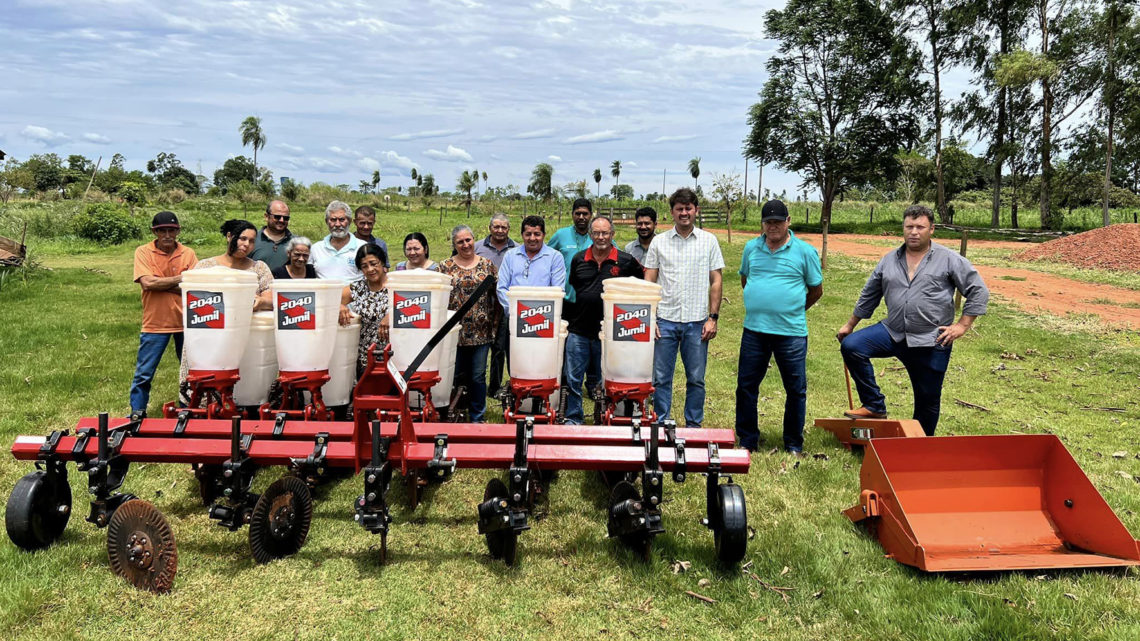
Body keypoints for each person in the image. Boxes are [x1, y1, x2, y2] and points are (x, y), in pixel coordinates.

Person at [837, 205, 989, 436]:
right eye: (909, 226)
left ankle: (920, 446)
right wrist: (850, 325)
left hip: (931, 339)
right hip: (894, 333)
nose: (914, 232)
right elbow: (869, 295)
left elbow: (978, 290)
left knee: (927, 398)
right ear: (903, 228)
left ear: (932, 229)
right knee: (853, 346)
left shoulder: (949, 259)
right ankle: (874, 405)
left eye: (920, 227)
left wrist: (962, 325)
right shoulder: (889, 260)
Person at [734, 201, 823, 456]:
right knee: (746, 386)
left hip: (791, 333)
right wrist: (762, 304)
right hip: (754, 330)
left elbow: (816, 290)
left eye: (778, 221)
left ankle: (793, 443)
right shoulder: (752, 248)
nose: (773, 226)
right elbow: (745, 279)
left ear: (788, 221)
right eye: (768, 222)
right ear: (762, 224)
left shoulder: (805, 252)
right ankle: (748, 439)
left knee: (795, 389)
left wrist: (791, 309)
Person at [644, 187, 724, 428]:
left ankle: (693, 426)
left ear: (696, 210)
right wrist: (650, 318)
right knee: (660, 378)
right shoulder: (659, 242)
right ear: (672, 213)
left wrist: (713, 318)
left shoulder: (709, 241)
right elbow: (649, 280)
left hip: (697, 321)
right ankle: (660, 423)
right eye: (679, 209)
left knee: (696, 379)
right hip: (665, 320)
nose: (684, 213)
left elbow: (716, 280)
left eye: (688, 208)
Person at [178, 219, 274, 405]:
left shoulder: (258, 268)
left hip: (246, 339)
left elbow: (271, 298)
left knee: (241, 388)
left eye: (252, 241)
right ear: (229, 237)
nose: (246, 244)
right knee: (205, 385)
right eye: (242, 238)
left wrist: (259, 301)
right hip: (208, 336)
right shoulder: (206, 268)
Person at [564, 216, 644, 425]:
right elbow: (575, 285)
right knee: (572, 379)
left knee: (607, 380)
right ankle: (574, 418)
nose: (601, 237)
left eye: (605, 233)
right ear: (590, 235)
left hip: (610, 332)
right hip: (579, 329)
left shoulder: (626, 261)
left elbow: (642, 286)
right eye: (597, 233)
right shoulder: (578, 259)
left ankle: (607, 418)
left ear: (612, 235)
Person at [129, 211, 198, 417]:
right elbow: (147, 283)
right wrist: (181, 278)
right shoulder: (143, 252)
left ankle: (189, 409)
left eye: (171, 230)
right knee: (144, 373)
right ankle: (137, 412)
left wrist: (160, 283)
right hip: (155, 323)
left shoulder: (188, 253)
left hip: (185, 322)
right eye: (162, 231)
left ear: (178, 231)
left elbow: (194, 288)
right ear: (154, 232)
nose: (167, 235)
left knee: (191, 373)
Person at [437, 225, 498, 422]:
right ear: (454, 245)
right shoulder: (444, 266)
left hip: (481, 332)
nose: (465, 245)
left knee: (478, 376)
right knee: (452, 375)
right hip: (453, 332)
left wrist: (495, 323)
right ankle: (452, 412)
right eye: (460, 242)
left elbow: (496, 297)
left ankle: (477, 415)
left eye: (468, 240)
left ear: (474, 240)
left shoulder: (487, 265)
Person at [476, 213, 518, 398]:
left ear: (509, 229)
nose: (500, 231)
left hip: (506, 305)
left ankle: (499, 385)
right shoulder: (477, 247)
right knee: (483, 345)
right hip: (483, 304)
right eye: (496, 227)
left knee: (503, 346)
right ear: (489, 228)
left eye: (504, 227)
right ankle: (478, 382)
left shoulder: (516, 249)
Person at [339, 244, 390, 375]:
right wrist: (340, 306)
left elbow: (412, 305)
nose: (370, 269)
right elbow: (330, 301)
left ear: (382, 262)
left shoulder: (396, 285)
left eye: (373, 263)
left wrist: (392, 315)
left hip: (393, 356)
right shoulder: (358, 288)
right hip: (366, 357)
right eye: (364, 266)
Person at [496, 215, 566, 311]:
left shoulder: (555, 257)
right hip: (514, 314)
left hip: (543, 317)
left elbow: (558, 291)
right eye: (528, 234)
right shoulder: (510, 256)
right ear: (522, 235)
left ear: (544, 235)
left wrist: (534, 313)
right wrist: (515, 310)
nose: (532, 238)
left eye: (537, 234)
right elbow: (502, 288)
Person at [547, 197, 594, 303]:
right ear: (572, 214)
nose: (581, 217)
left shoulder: (599, 236)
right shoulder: (561, 235)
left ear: (591, 215)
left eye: (585, 214)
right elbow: (545, 257)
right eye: (578, 213)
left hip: (591, 301)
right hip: (565, 298)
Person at [311, 201, 364, 282]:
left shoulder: (362, 247)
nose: (338, 224)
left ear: (349, 221)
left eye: (342, 219)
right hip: (323, 293)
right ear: (326, 222)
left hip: (353, 294)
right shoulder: (316, 249)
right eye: (333, 220)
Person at [249, 200, 293, 272]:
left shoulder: (296, 242)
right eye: (277, 217)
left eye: (286, 218)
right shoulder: (252, 240)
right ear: (266, 216)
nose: (282, 220)